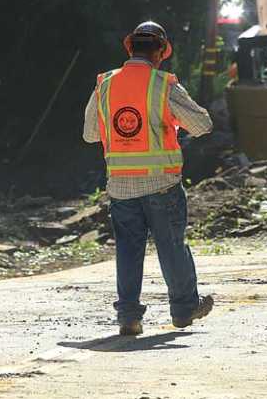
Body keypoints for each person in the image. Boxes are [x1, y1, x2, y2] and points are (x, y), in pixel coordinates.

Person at [83, 21, 214, 336]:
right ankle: (183, 309)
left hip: (120, 186)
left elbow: (90, 135)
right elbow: (202, 125)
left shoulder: (105, 85)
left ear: (130, 48)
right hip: (161, 185)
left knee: (128, 250)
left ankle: (129, 317)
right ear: (159, 52)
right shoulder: (163, 85)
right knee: (171, 246)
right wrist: (170, 124)